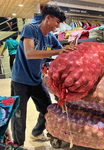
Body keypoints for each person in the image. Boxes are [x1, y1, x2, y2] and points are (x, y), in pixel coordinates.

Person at [11, 4, 77, 147]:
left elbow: (62, 53)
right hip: (20, 80)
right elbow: (30, 53)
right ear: (48, 18)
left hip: (36, 80)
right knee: (19, 115)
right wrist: (57, 52)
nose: (59, 26)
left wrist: (73, 49)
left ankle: (36, 133)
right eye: (58, 22)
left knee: (48, 109)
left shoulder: (51, 38)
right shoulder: (30, 29)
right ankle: (17, 145)